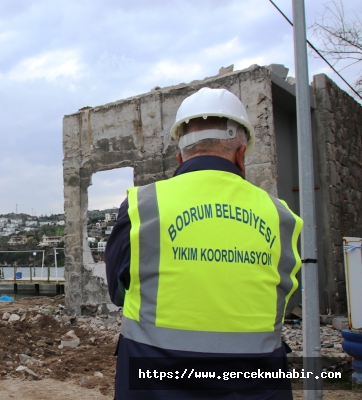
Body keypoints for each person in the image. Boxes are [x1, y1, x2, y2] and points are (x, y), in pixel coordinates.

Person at [105, 87, 303, 399]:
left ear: (180, 155)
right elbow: (284, 299)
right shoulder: (281, 217)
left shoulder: (142, 206)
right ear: (241, 155)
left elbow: (118, 292)